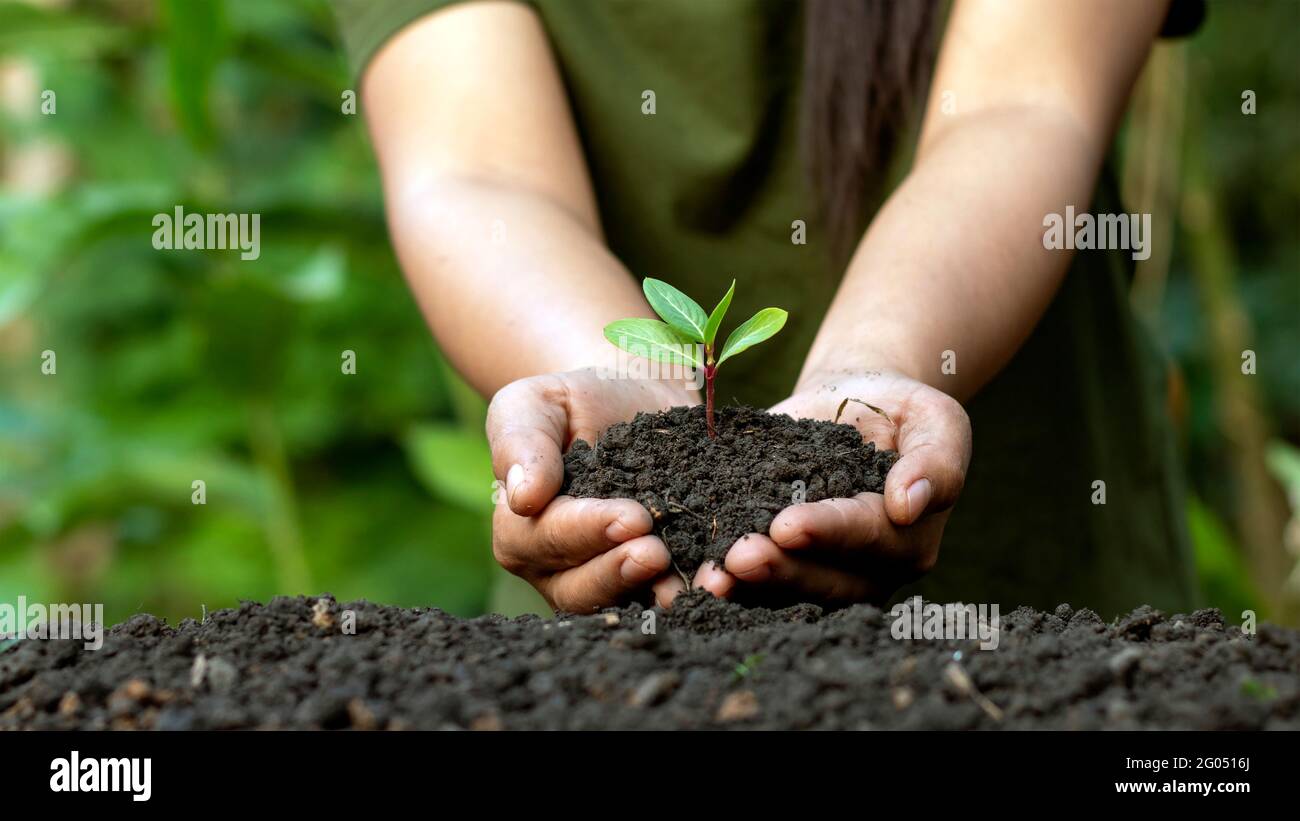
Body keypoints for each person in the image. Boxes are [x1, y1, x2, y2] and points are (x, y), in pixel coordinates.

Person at [332, 0, 1201, 616]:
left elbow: (1026, 103)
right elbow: (476, 169)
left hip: (1048, 625)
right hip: (625, 641)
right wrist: (614, 383)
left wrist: (878, 366)